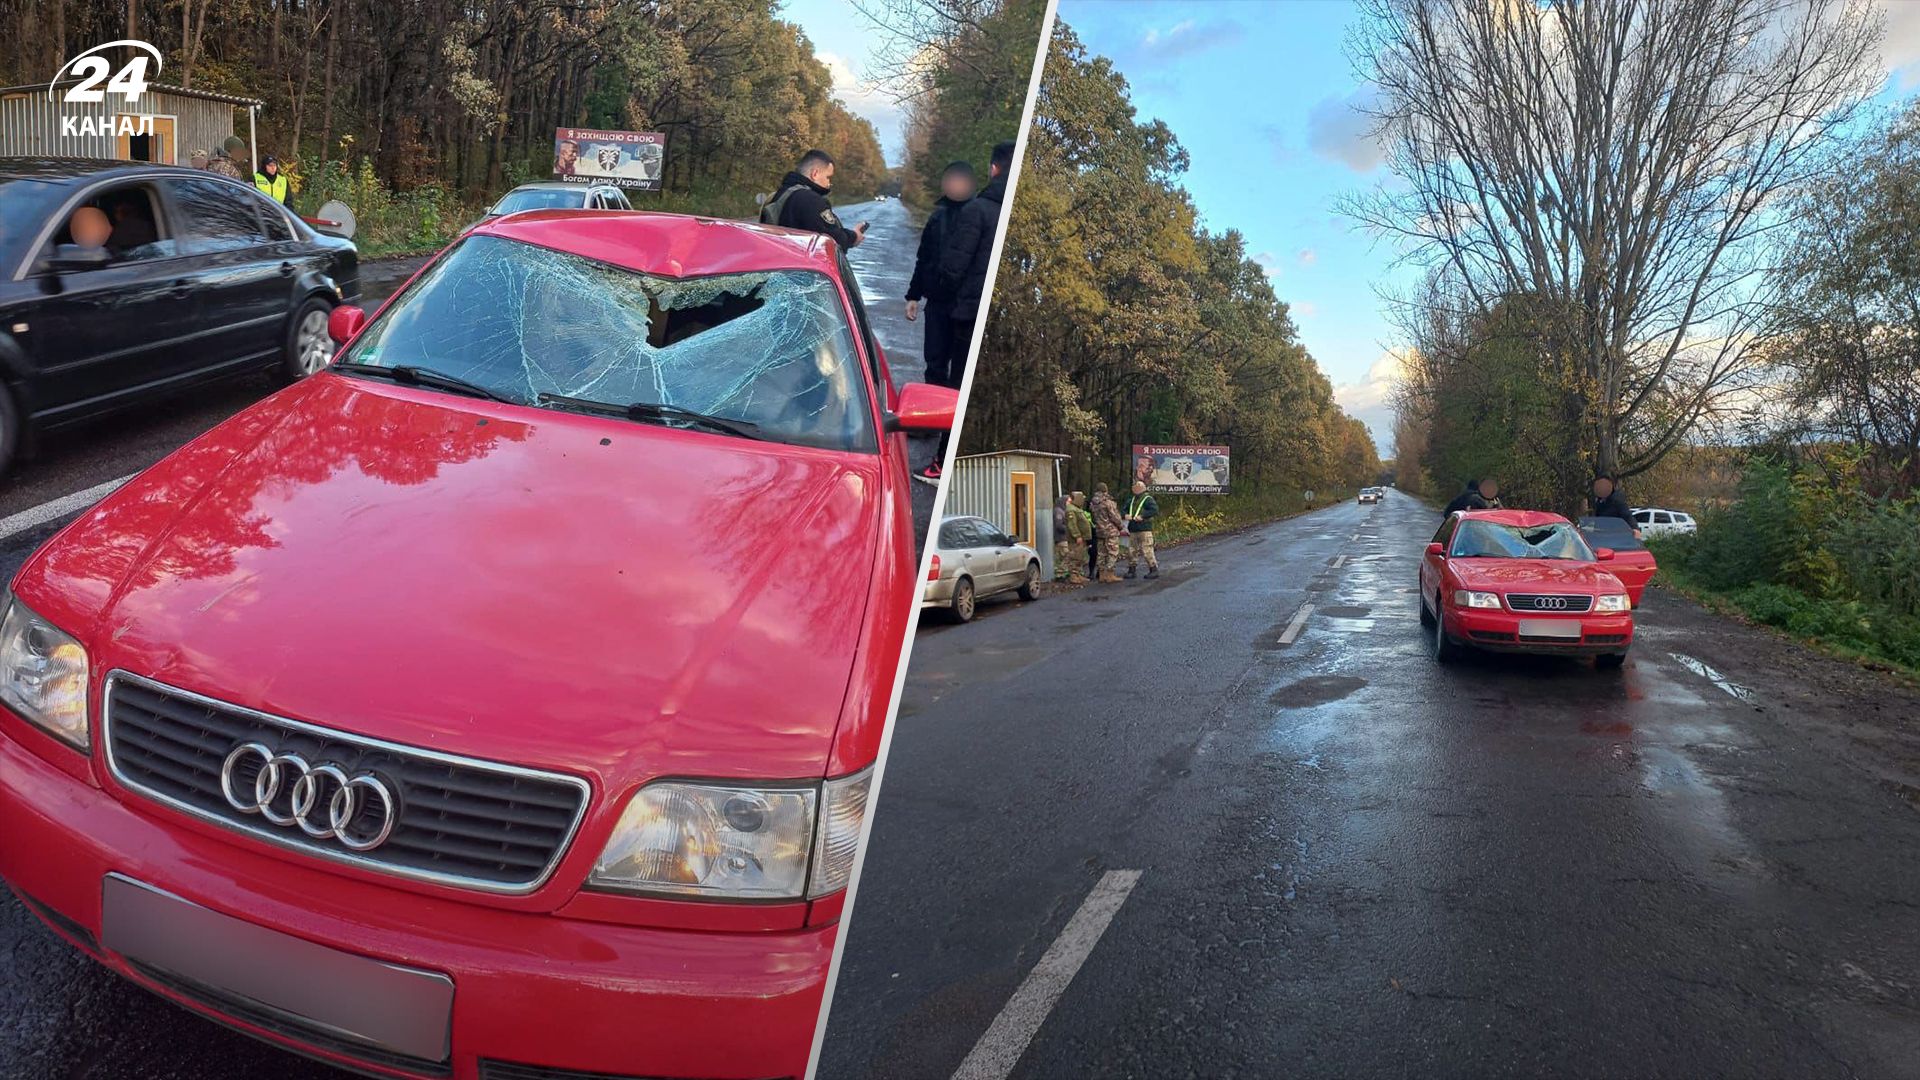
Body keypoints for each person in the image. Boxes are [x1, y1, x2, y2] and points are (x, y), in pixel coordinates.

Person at [906, 161, 975, 480]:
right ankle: (930, 422)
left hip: (962, 308)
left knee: (957, 374)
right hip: (937, 305)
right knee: (934, 363)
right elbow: (923, 259)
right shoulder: (937, 218)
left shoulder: (978, 216)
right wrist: (913, 295)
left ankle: (946, 427)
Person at [764, 149, 867, 250]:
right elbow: (831, 238)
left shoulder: (782, 194)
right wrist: (854, 236)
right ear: (815, 174)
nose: (829, 183)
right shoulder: (811, 200)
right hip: (800, 263)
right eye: (828, 177)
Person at [1089, 482, 1127, 583]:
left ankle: (1101, 574)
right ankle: (1110, 574)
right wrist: (1120, 526)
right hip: (1110, 531)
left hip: (1099, 531)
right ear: (1105, 490)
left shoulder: (1092, 503)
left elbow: (1093, 518)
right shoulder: (1108, 502)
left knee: (1101, 553)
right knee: (1112, 552)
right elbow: (1114, 517)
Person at [1123, 480, 1160, 580]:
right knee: (1131, 551)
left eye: (1138, 486)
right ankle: (1132, 570)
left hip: (1144, 528)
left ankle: (1153, 569)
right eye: (1135, 486)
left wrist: (1143, 516)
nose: (1136, 488)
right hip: (1133, 529)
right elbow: (1124, 509)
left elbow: (1154, 510)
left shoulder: (1148, 499)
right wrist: (1125, 514)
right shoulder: (1131, 500)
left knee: (1147, 550)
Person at [1065, 491, 1092, 585]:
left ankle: (1078, 575)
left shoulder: (1076, 508)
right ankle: (1073, 576)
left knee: (1080, 557)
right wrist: (1077, 536)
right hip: (1075, 539)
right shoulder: (1071, 510)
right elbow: (1072, 524)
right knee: (1075, 556)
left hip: (1082, 538)